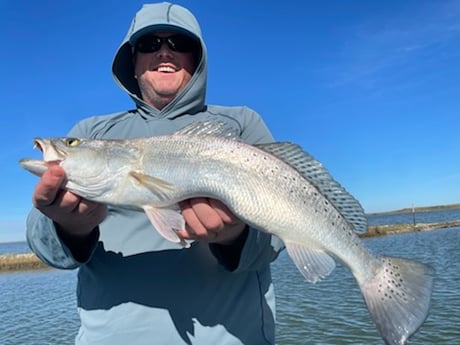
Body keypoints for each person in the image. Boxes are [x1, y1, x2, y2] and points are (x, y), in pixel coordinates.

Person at [26, 3, 284, 345]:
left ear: (198, 58)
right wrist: (69, 227)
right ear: (132, 60)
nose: (165, 52)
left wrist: (235, 236)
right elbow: (48, 251)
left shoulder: (240, 126)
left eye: (180, 44)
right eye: (149, 44)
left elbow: (277, 238)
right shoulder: (93, 130)